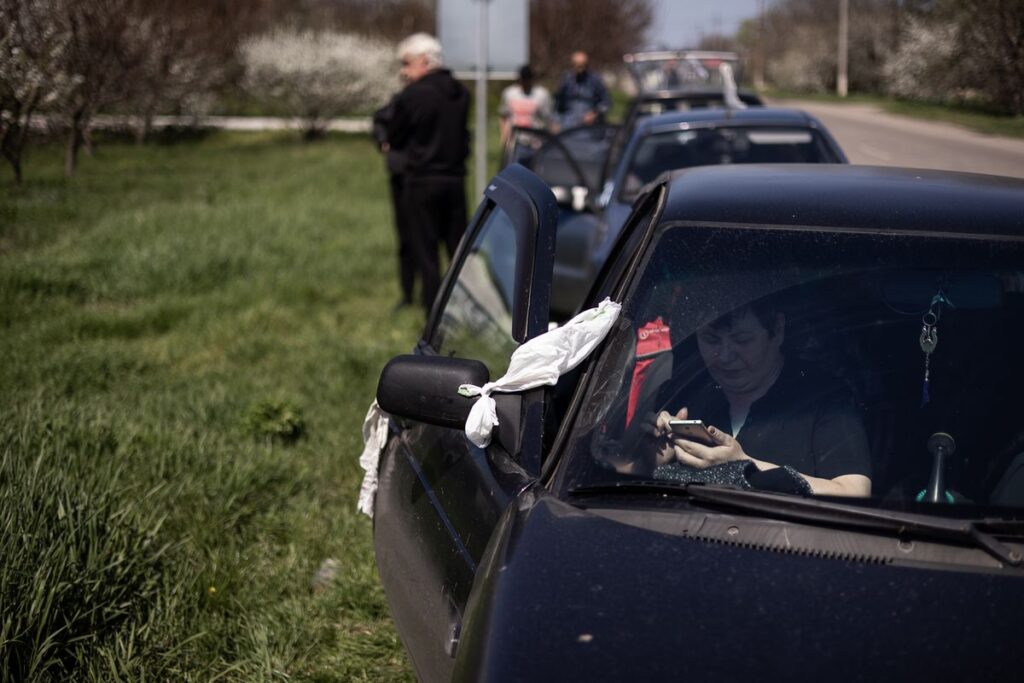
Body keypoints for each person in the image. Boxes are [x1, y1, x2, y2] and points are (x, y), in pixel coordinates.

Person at [640, 301, 872, 497]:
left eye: (742, 340)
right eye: (711, 340)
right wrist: (652, 458)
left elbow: (854, 492)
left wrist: (744, 466)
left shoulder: (823, 396)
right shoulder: (688, 392)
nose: (725, 356)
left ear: (777, 330)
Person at [386, 33, 470, 311]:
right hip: (455, 181)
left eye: (406, 63)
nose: (403, 71)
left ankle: (432, 319)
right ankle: (463, 311)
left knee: (427, 254)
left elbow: (394, 137)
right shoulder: (460, 92)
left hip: (422, 182)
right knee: (458, 252)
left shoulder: (414, 95)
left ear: (424, 61)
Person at [372, 95, 416, 309]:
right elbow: (379, 119)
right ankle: (408, 296)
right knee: (406, 239)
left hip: (430, 178)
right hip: (403, 177)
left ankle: (434, 301)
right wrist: (383, 141)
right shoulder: (402, 101)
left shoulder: (443, 96)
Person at [554, 51, 611, 129]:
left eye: (582, 65)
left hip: (589, 128)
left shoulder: (595, 80)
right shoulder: (566, 79)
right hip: (569, 126)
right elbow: (559, 103)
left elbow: (606, 102)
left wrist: (594, 113)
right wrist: (556, 121)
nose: (579, 69)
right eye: (576, 65)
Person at [498, 65, 553, 144]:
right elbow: (504, 117)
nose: (525, 81)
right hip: (516, 141)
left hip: (535, 141)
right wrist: (504, 137)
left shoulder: (542, 94)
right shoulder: (510, 93)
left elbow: (548, 119)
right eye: (523, 78)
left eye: (527, 78)